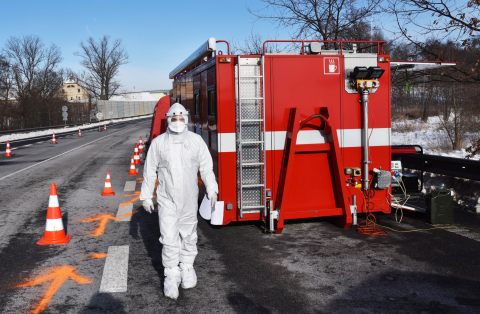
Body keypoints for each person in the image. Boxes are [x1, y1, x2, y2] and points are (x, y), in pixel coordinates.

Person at [140, 103, 218, 300]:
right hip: (167, 199)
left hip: (189, 199)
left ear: (186, 119)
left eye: (180, 118)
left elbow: (206, 168)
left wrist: (212, 189)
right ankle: (171, 274)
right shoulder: (159, 143)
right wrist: (146, 195)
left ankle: (187, 267)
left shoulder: (196, 141)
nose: (177, 122)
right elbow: (150, 170)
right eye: (173, 119)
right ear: (168, 119)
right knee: (169, 238)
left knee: (189, 235)